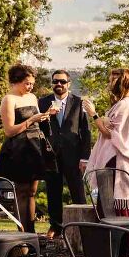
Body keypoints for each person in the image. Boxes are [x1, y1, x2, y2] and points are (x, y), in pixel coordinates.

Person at [83, 68, 129, 257]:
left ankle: (122, 248)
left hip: (117, 161)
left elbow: (110, 133)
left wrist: (93, 114)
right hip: (116, 160)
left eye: (113, 80)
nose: (110, 84)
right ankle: (116, 247)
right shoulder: (125, 103)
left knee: (114, 205)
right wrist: (103, 119)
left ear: (122, 82)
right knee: (111, 204)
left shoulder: (126, 105)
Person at [0, 64, 58, 233]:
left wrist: (46, 115)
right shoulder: (9, 99)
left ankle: (31, 234)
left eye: (32, 83)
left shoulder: (32, 97)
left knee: (32, 191)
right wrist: (31, 120)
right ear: (15, 81)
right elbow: (9, 131)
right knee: (21, 191)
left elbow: (36, 121)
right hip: (19, 149)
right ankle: (22, 235)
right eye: (27, 83)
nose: (30, 87)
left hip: (35, 147)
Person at [38, 69, 91, 239]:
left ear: (69, 83)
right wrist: (47, 115)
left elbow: (86, 131)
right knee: (53, 191)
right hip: (51, 154)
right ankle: (56, 226)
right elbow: (39, 128)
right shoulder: (43, 102)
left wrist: (85, 157)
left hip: (73, 155)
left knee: (78, 191)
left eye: (62, 81)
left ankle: (84, 226)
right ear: (52, 83)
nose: (58, 84)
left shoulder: (78, 102)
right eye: (55, 81)